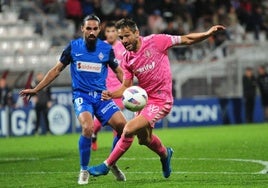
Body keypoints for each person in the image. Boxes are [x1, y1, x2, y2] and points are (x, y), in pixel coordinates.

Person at [88, 18, 226, 179]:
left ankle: (106, 165)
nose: (124, 41)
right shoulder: (126, 58)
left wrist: (208, 33)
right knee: (144, 139)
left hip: (161, 99)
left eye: (126, 36)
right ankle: (165, 154)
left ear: (136, 33)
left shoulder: (157, 41)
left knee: (128, 129)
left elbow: (186, 39)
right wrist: (111, 94)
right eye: (121, 38)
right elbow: (126, 86)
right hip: (144, 102)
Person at [20, 14, 127, 185]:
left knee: (123, 127)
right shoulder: (73, 47)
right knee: (88, 127)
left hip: (102, 97)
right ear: (82, 29)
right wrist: (36, 89)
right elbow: (56, 70)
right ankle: (84, 169)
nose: (92, 32)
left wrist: (127, 87)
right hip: (82, 96)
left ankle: (111, 162)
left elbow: (120, 72)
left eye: (95, 29)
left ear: (99, 30)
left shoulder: (106, 50)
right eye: (89, 28)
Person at [91, 21, 133, 151]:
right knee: (97, 123)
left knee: (118, 122)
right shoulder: (100, 46)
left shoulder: (123, 46)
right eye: (108, 31)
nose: (110, 34)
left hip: (119, 89)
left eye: (113, 31)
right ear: (105, 33)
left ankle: (115, 149)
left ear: (117, 33)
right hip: (103, 89)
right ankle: (93, 136)